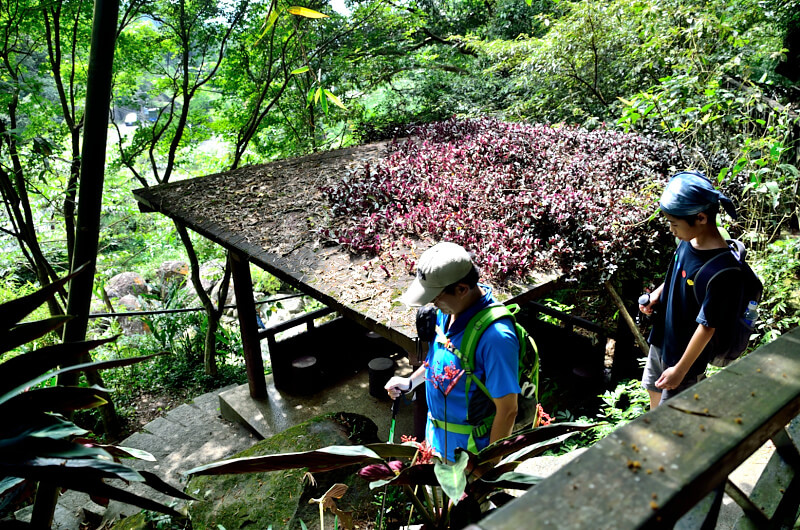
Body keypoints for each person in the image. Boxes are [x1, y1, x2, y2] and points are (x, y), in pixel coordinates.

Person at [385, 242, 520, 462]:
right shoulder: (448, 312)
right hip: (436, 441)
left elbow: (508, 410)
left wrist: (488, 465)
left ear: (462, 289)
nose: (432, 304)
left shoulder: (496, 338)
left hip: (468, 456)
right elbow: (439, 362)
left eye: (435, 297)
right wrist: (411, 382)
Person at [640, 171, 741, 409]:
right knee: (654, 400)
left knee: (674, 418)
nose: (671, 229)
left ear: (701, 218)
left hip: (684, 358)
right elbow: (677, 274)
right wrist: (657, 294)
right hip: (662, 339)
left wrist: (680, 370)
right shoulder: (688, 241)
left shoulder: (723, 271)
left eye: (674, 223)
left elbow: (708, 326)